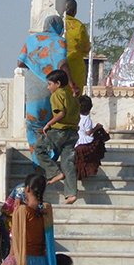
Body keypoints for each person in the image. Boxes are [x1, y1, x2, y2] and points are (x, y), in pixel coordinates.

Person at [18, 15, 76, 163]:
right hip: (52, 84)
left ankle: (38, 162)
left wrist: (37, 67)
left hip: (33, 85)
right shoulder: (60, 41)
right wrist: (71, 84)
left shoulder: (31, 40)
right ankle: (51, 157)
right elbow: (62, 63)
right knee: (52, 121)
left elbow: (20, 62)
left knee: (33, 123)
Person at [0, 174, 58, 265]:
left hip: (24, 262)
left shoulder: (21, 211)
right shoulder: (47, 209)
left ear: (27, 188)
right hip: (42, 263)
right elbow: (35, 210)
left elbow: (16, 239)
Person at [34, 70, 80, 205]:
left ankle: (54, 172)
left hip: (60, 131)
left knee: (39, 148)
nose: (48, 87)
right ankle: (71, 194)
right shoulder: (72, 97)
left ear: (58, 84)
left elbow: (61, 112)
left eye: (49, 84)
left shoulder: (56, 95)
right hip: (72, 133)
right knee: (68, 163)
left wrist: (49, 124)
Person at [74, 95, 109, 181]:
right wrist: (97, 127)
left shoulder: (75, 117)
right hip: (85, 142)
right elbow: (88, 132)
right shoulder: (87, 119)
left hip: (76, 142)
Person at [63, 0, 91, 94]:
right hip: (74, 68)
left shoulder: (55, 23)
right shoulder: (78, 26)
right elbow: (86, 48)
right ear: (75, 11)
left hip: (56, 65)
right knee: (74, 101)